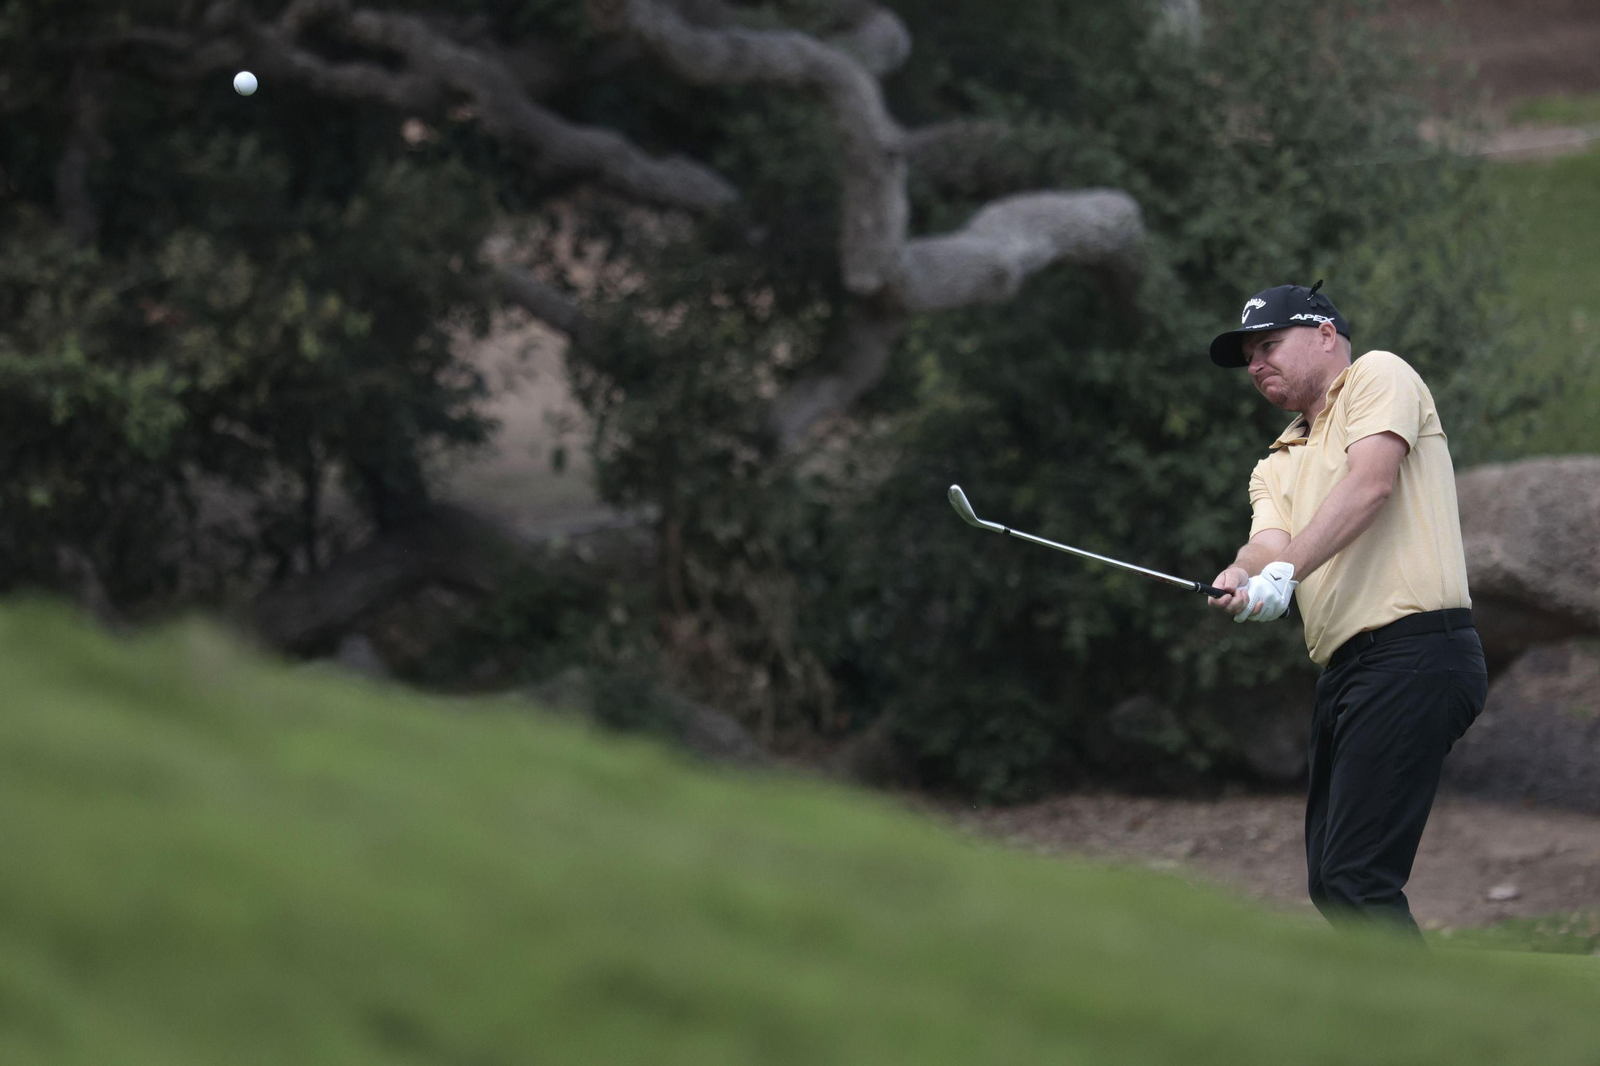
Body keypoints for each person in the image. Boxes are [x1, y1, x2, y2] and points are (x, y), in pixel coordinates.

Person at [1206, 281, 1488, 937]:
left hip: (1418, 651)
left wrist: (1282, 573)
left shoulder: (1379, 377)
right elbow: (1266, 544)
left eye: (1269, 345)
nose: (1256, 365)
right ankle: (1406, 1027)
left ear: (1326, 335)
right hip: (1348, 672)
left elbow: (1371, 485)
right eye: (1249, 357)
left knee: (1359, 877)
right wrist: (1242, 575)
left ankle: (1431, 1036)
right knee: (1332, 881)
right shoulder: (1276, 462)